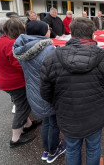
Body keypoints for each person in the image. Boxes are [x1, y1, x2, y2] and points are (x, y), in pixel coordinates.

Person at [40, 17, 104, 165]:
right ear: (92, 35)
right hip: (96, 114)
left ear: (72, 34)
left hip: (67, 114)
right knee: (94, 147)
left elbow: (45, 91)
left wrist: (59, 103)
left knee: (72, 148)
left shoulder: (52, 56)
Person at [13, 20, 66, 162]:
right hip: (48, 93)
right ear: (42, 32)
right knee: (53, 122)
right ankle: (53, 150)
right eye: (48, 29)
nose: (50, 30)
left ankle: (47, 150)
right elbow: (56, 75)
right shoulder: (48, 50)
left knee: (47, 121)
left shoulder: (21, 48)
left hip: (34, 92)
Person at [0, 17, 41, 148]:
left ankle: (28, 125)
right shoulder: (10, 43)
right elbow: (18, 64)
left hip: (6, 80)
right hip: (14, 82)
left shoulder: (2, 40)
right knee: (22, 107)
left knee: (22, 104)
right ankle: (15, 139)